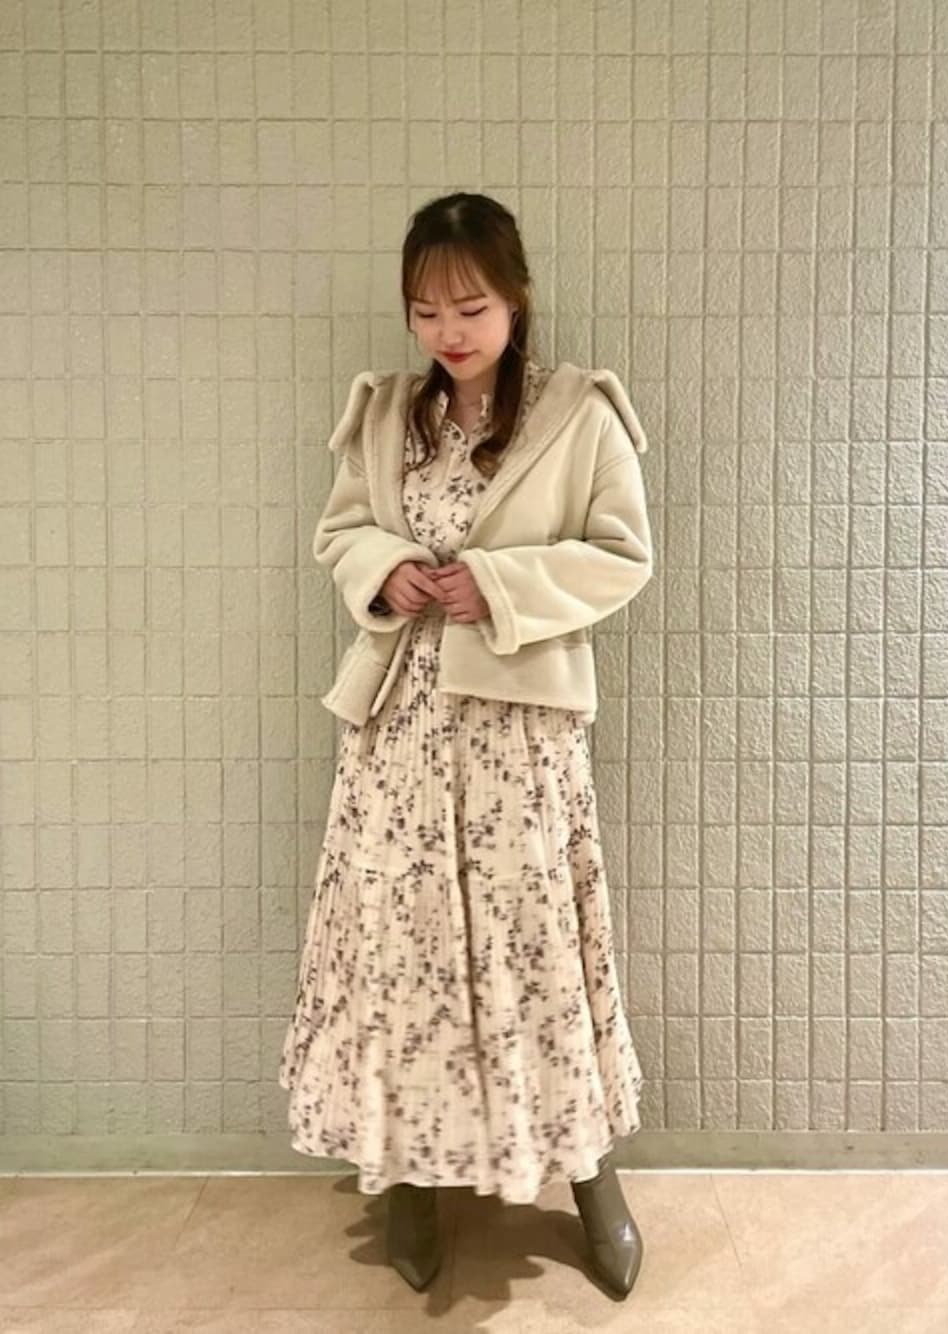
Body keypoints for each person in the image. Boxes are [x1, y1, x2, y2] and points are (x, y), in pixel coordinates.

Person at [279, 192, 654, 1298]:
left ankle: (589, 1179)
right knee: (403, 950)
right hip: (398, 725)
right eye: (426, 309)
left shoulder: (578, 415)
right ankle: (406, 1178)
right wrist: (384, 568)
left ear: (515, 299)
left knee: (535, 949)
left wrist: (495, 583)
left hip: (519, 734)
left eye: (471, 306)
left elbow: (622, 554)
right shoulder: (388, 415)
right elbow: (340, 529)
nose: (448, 330)